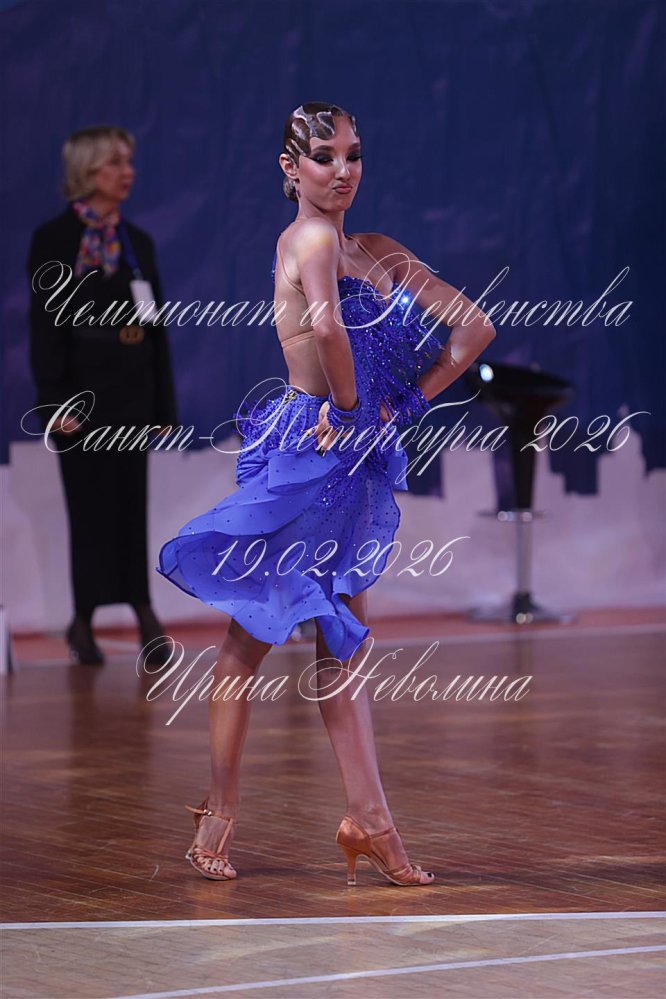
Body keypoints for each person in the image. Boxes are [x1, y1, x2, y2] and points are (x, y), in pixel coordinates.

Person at [157, 102, 496, 884]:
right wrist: (354, 411)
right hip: (311, 449)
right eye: (323, 156)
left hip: (352, 456)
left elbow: (474, 326)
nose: (342, 170)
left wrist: (396, 407)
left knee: (339, 642)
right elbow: (332, 329)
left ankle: (367, 820)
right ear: (290, 168)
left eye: (353, 154)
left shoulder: (378, 249)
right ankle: (227, 810)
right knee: (255, 636)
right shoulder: (311, 240)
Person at [28, 125, 178, 666]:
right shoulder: (54, 240)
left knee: (130, 504)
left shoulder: (138, 243)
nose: (127, 173)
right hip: (80, 396)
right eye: (115, 163)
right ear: (87, 170)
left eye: (128, 162)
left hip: (132, 392)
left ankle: (143, 610)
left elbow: (156, 329)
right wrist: (53, 402)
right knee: (88, 507)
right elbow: (45, 327)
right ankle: (83, 617)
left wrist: (163, 407)